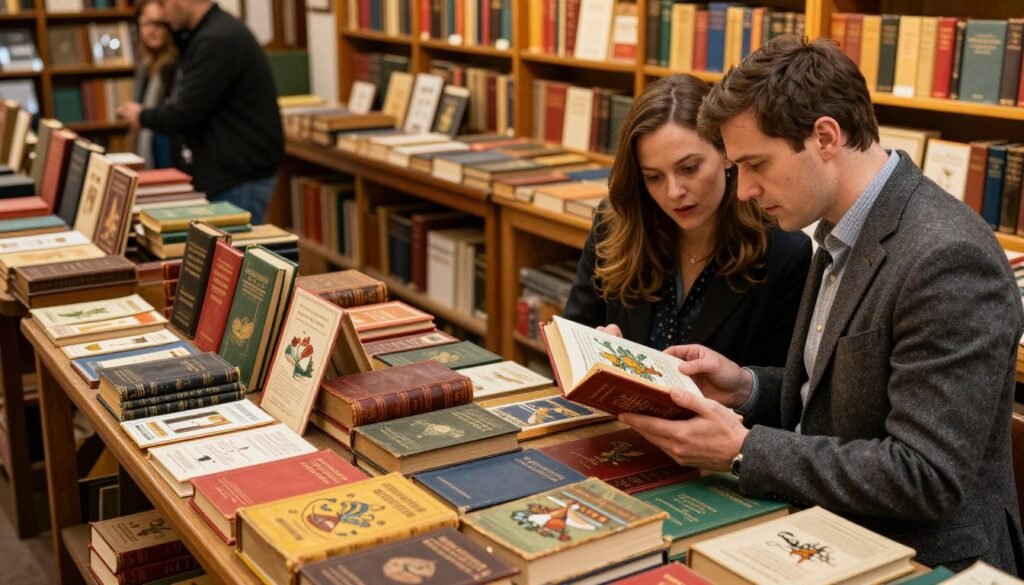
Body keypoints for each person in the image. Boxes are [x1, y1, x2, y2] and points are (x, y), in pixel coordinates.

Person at [622, 36, 1024, 574]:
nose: (743, 192)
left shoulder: (947, 257)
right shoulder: (840, 228)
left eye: (756, 164)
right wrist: (746, 386)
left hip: (925, 558)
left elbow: (927, 476)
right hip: (832, 529)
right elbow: (834, 404)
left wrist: (743, 449)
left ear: (826, 137)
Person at [563, 74, 811, 368]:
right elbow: (568, 347)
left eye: (689, 168)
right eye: (653, 177)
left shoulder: (785, 252)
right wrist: (591, 352)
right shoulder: (614, 226)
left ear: (725, 153)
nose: (674, 192)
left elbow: (786, 392)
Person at [116, 0, 283, 224]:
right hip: (229, 175)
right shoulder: (206, 33)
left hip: (238, 180)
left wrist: (141, 116)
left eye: (164, 4)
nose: (163, 15)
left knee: (234, 257)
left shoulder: (217, 39)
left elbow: (185, 111)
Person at [131, 0, 178, 169]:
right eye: (146, 24)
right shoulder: (145, 68)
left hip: (171, 160)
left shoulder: (177, 66)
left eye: (158, 24)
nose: (152, 30)